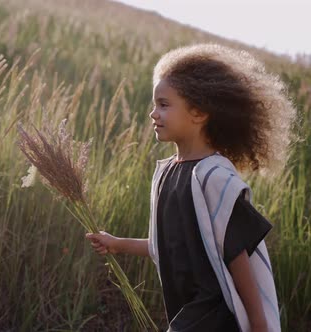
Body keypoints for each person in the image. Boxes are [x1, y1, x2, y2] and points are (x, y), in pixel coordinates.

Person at [85, 43, 298, 332]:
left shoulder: (214, 178)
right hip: (186, 309)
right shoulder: (166, 174)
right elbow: (170, 246)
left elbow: (237, 256)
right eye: (154, 105)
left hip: (217, 313)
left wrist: (259, 325)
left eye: (163, 104)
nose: (153, 114)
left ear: (198, 113)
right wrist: (118, 244)